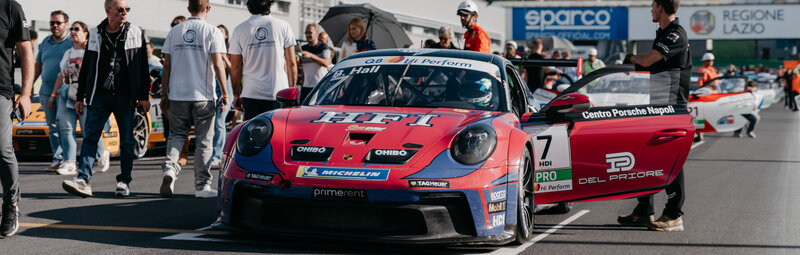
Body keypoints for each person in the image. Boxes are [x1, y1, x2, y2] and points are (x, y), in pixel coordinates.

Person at [62, 0, 151, 198]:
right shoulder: (95, 33)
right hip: (100, 95)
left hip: (125, 96)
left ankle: (124, 181)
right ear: (108, 10)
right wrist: (80, 95)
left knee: (127, 142)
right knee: (90, 137)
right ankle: (83, 179)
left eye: (127, 9)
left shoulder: (135, 32)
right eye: (120, 10)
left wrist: (144, 96)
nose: (125, 13)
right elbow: (87, 66)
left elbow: (142, 67)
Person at [620, 0, 691, 231]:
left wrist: (629, 58)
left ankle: (674, 214)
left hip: (672, 106)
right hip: (657, 105)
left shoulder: (675, 34)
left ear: (661, 7)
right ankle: (644, 210)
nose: (650, 10)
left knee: (671, 158)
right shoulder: (663, 34)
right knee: (647, 156)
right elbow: (649, 66)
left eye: (652, 6)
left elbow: (648, 60)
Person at [159, 0, 228, 198]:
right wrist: (224, 92)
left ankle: (170, 170)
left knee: (177, 135)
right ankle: (202, 186)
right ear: (208, 8)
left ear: (188, 9)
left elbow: (167, 65)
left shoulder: (175, 31)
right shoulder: (212, 31)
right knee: (204, 141)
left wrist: (165, 93)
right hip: (203, 96)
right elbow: (218, 65)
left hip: (178, 95)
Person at [48, 21, 110, 176]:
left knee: (87, 129)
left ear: (86, 33)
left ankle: (102, 154)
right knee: (66, 129)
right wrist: (53, 95)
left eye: (77, 29)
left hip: (85, 94)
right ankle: (69, 162)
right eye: (72, 29)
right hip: (66, 93)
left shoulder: (91, 52)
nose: (73, 31)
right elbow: (61, 76)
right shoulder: (68, 53)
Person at [230, 0, 297, 120]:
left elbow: (235, 67)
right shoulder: (283, 26)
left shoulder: (239, 29)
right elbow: (292, 63)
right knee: (278, 135)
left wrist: (236, 94)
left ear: (249, 6)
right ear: (270, 4)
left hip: (251, 93)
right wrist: (292, 92)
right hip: (278, 93)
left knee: (252, 135)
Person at [0, 0, 33, 237]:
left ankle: (11, 205)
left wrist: (26, 93)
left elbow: (25, 50)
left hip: (1, 89)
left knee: (2, 149)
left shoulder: (10, 7)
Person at [35, 10, 73, 171]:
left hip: (65, 91)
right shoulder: (45, 42)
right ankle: (57, 158)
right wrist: (29, 85)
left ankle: (68, 160)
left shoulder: (72, 42)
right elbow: (38, 65)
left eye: (58, 22)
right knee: (52, 126)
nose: (55, 26)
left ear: (66, 24)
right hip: (45, 90)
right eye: (52, 23)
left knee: (64, 126)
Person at [210, 24, 233, 168]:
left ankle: (217, 156)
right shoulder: (211, 48)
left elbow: (233, 69)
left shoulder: (229, 51)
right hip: (212, 87)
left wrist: (223, 56)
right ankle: (216, 153)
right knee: (212, 123)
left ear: (225, 36)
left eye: (221, 32)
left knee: (219, 121)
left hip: (226, 88)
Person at [299, 24, 331, 101]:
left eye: (310, 32)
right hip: (305, 86)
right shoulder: (303, 48)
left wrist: (311, 56)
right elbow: (302, 67)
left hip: (319, 86)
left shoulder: (324, 46)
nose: (307, 35)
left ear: (317, 33)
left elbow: (326, 63)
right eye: (306, 33)